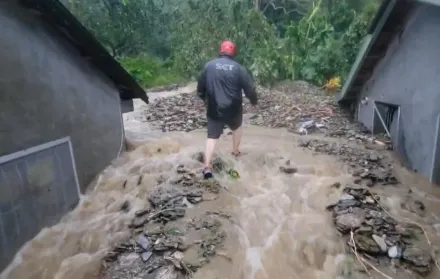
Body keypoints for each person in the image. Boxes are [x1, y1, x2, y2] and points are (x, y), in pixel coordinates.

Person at [196, 40, 258, 179]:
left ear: (221, 51)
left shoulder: (209, 66)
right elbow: (249, 89)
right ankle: (235, 151)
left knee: (211, 137)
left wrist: (204, 99)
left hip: (214, 107)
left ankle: (207, 167)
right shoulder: (238, 68)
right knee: (237, 127)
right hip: (233, 108)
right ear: (233, 53)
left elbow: (200, 87)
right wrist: (253, 101)